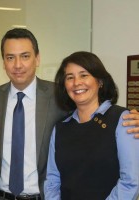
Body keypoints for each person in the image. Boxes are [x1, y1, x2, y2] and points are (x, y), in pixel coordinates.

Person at [0, 28, 139, 200]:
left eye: (25, 56)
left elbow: (95, 118)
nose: (18, 65)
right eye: (10, 57)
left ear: (37, 58)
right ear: (4, 62)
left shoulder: (59, 96)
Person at [44, 51, 139, 199]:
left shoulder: (123, 119)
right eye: (70, 77)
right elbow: (52, 180)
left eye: (84, 75)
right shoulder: (60, 128)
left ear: (100, 81)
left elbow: (130, 182)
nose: (76, 83)